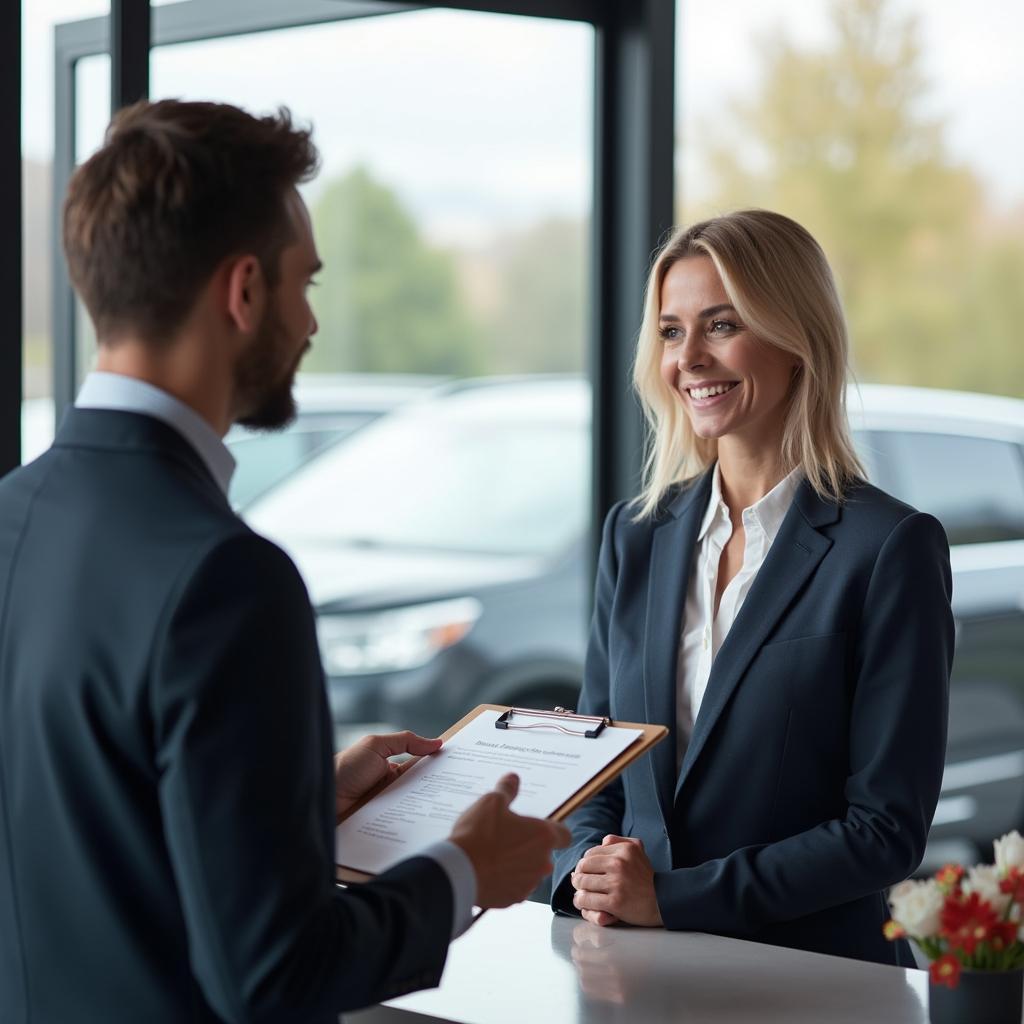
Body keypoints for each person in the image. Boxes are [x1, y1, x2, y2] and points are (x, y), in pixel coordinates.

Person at [0, 99, 569, 1024]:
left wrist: (302, 808)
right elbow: (274, 976)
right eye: (304, 283)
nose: (309, 322)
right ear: (244, 291)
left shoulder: (12, 516)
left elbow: (86, 836)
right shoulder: (225, 579)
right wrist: (467, 868)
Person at [550, 209, 953, 965]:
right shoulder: (634, 537)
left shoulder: (889, 548)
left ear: (796, 338)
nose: (690, 358)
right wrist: (588, 874)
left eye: (721, 325)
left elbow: (884, 832)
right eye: (671, 332)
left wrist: (671, 898)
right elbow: (594, 774)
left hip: (815, 983)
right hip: (637, 973)